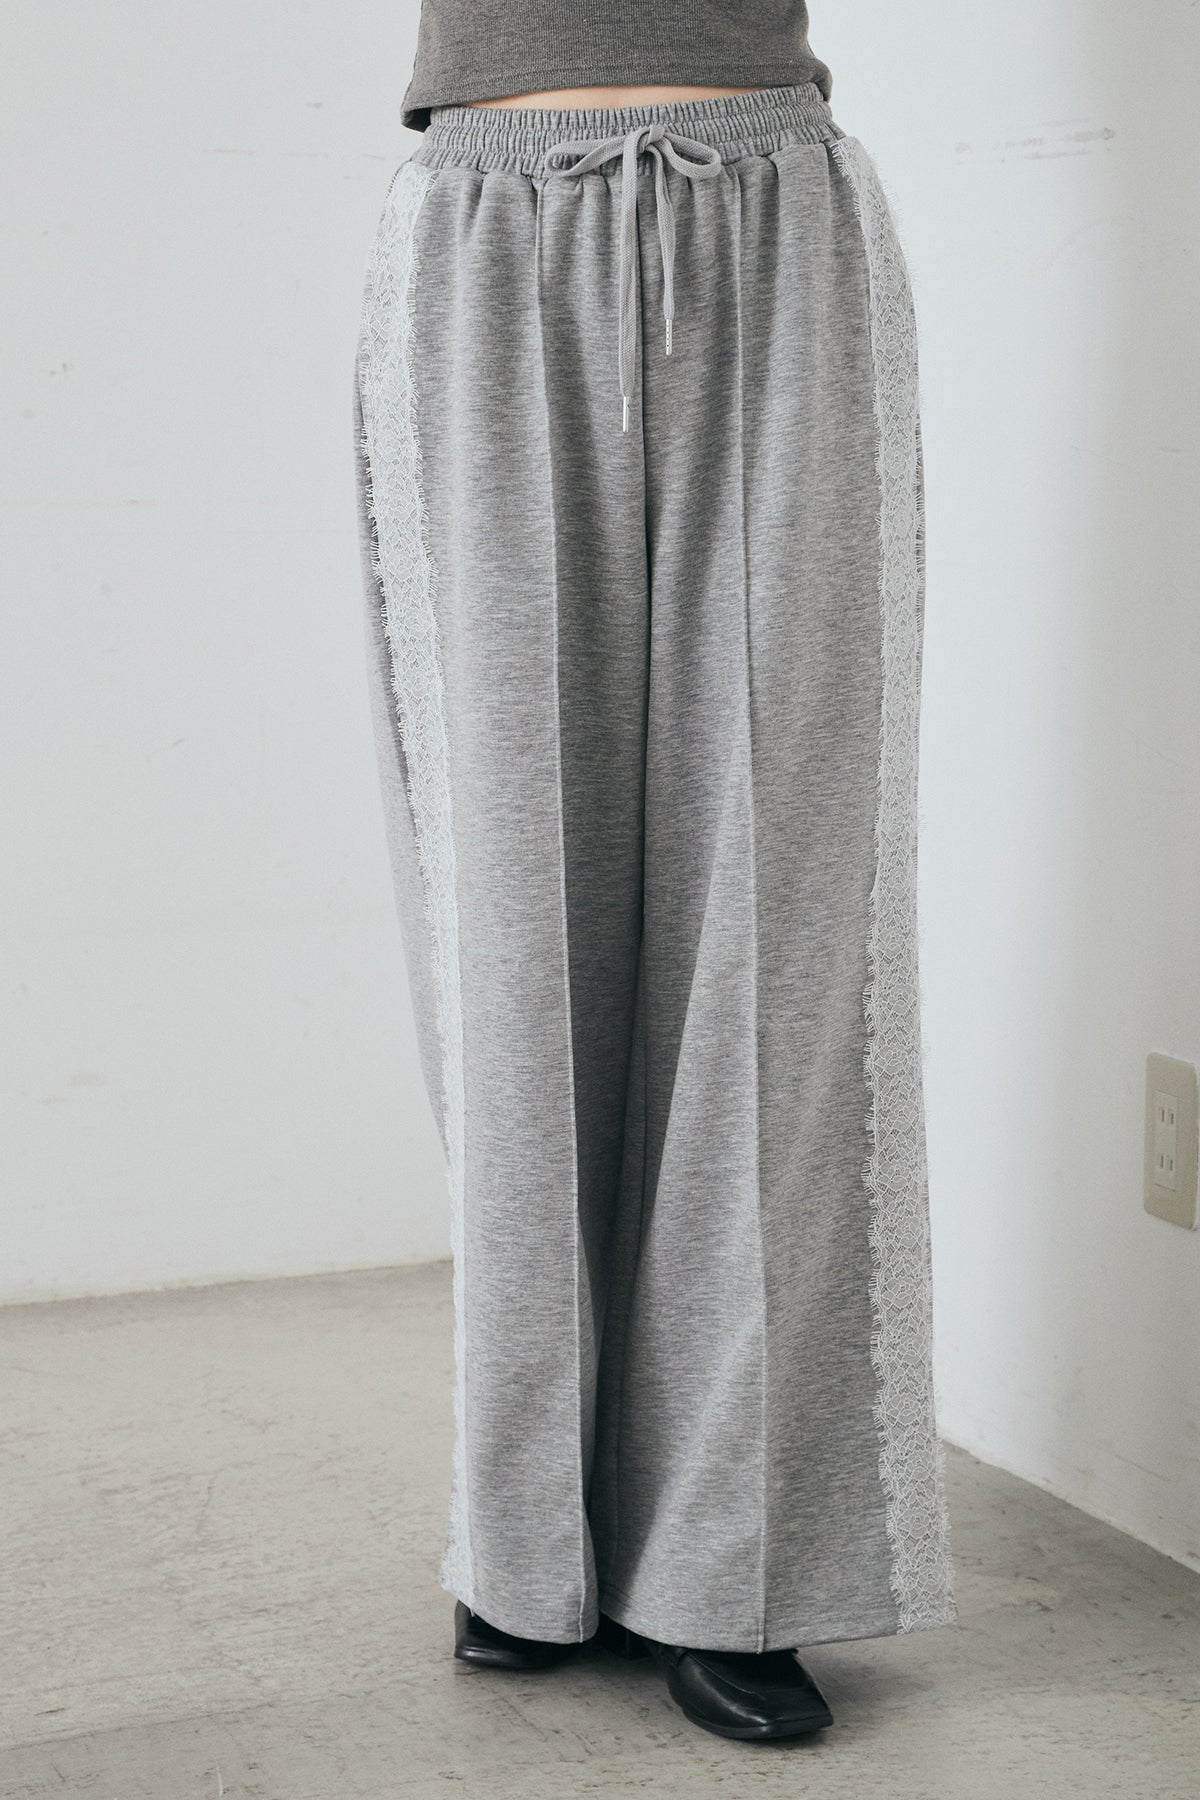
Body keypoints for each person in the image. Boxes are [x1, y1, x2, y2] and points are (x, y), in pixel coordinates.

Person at [353, 1, 957, 1744]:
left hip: (772, 218)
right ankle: (525, 1535)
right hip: (485, 229)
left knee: (779, 914)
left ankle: (733, 1561)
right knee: (508, 933)